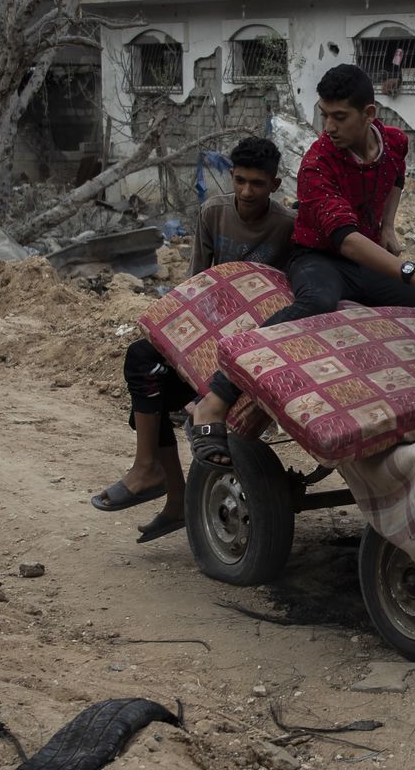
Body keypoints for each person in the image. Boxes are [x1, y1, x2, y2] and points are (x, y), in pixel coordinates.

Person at [182, 64, 415, 469]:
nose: (328, 126)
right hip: (320, 257)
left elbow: (397, 175)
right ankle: (214, 398)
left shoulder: (394, 141)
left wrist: (388, 224)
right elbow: (347, 241)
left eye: (339, 116)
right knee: (317, 301)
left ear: (369, 115)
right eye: (323, 114)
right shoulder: (317, 163)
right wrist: (413, 271)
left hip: (368, 254)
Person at [91, 137, 294, 541]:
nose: (247, 191)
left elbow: (287, 294)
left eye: (257, 183)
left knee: (155, 391)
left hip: (257, 338)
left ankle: (168, 492)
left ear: (274, 183)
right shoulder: (213, 213)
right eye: (239, 181)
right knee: (145, 365)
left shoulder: (288, 225)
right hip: (211, 328)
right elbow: (197, 284)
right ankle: (152, 474)